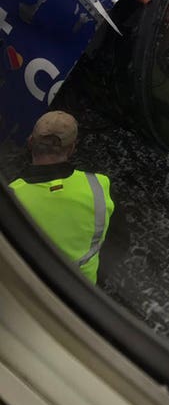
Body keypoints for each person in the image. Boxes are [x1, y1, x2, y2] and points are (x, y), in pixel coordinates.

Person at [9, 111, 114, 285]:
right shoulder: (100, 186)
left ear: (30, 142)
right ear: (72, 149)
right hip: (80, 296)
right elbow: (118, 243)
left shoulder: (11, 196)